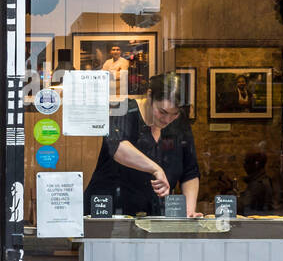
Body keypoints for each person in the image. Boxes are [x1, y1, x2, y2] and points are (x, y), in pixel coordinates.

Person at [84, 72, 201, 217]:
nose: (167, 119)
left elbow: (190, 172)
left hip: (154, 216)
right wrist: (156, 169)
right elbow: (117, 147)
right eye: (162, 111)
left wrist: (189, 211)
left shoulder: (179, 122)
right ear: (150, 95)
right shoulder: (124, 110)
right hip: (112, 212)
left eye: (174, 114)